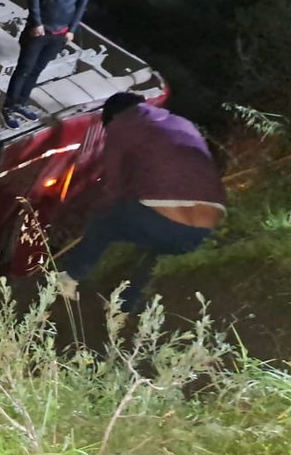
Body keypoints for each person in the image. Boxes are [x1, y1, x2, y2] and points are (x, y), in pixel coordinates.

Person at [61, 93, 227, 311]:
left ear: (110, 118)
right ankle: (124, 305)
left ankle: (68, 279)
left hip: (166, 219)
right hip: (206, 225)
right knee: (155, 249)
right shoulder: (182, 122)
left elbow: (113, 185)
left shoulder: (121, 125)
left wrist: (95, 212)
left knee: (106, 221)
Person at [3, 0, 97, 128]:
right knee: (24, 68)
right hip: (40, 28)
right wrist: (36, 22)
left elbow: (82, 2)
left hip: (61, 32)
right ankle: (8, 107)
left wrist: (72, 29)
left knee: (38, 69)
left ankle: (21, 103)